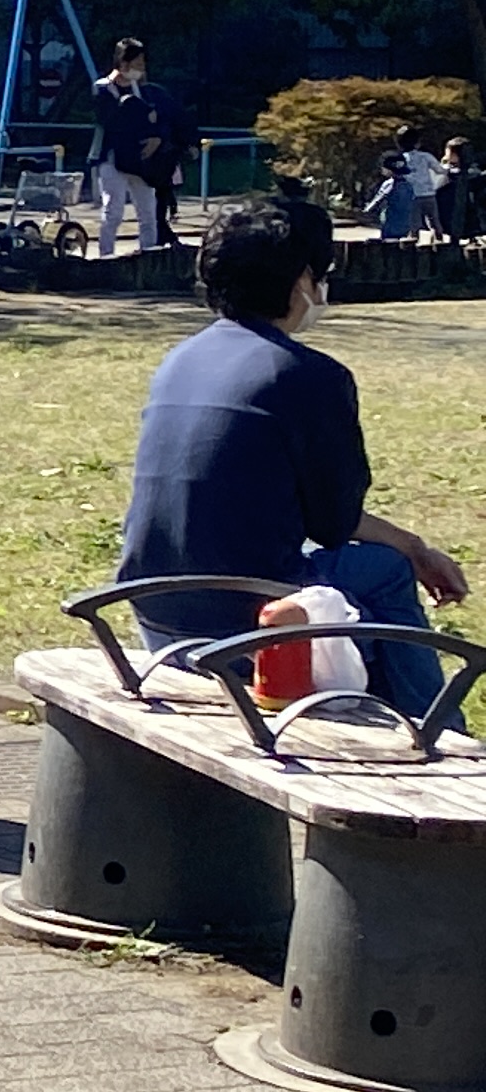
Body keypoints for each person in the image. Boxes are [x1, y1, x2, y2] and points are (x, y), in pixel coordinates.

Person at [119, 195, 468, 729]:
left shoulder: (180, 359)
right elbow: (332, 522)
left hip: (156, 611)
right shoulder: (309, 375)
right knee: (386, 571)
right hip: (249, 622)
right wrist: (413, 551)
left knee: (374, 569)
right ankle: (438, 734)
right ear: (304, 278)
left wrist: (413, 544)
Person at [91, 40, 187, 257]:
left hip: (141, 160)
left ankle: (148, 255)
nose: (141, 68)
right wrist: (140, 113)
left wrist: (157, 138)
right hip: (113, 158)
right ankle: (105, 256)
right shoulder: (103, 88)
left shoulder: (144, 90)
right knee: (113, 211)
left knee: (148, 212)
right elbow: (112, 120)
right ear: (123, 63)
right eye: (137, 62)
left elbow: (160, 118)